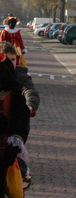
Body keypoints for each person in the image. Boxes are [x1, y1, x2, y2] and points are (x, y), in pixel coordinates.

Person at [0, 42, 39, 186]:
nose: (10, 64)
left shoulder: (19, 75)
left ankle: (19, 168)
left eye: (12, 60)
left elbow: (29, 91)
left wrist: (30, 105)